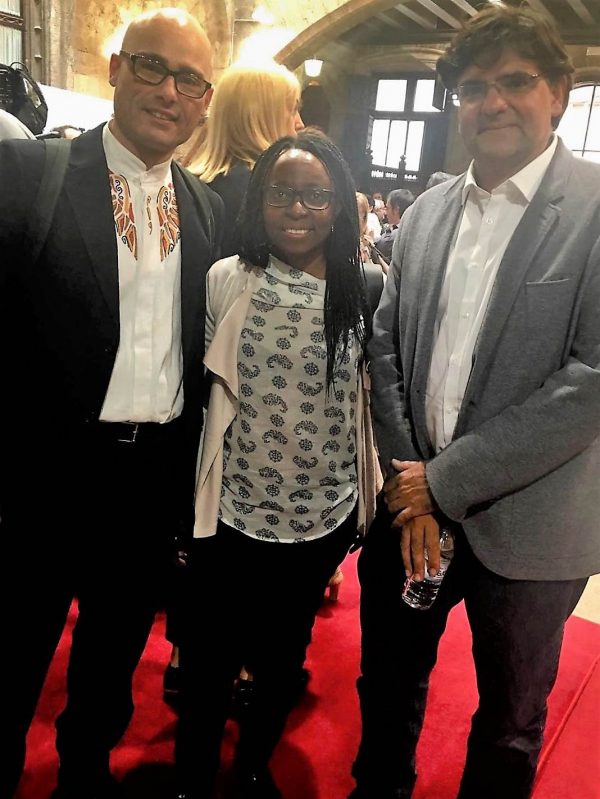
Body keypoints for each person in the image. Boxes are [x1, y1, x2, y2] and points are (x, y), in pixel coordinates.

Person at [349, 6, 600, 799]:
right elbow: (385, 346)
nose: (492, 102)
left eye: (515, 81)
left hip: (533, 524)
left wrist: (443, 481)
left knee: (510, 721)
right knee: (387, 681)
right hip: (410, 508)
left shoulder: (595, 209)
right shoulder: (427, 211)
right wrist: (410, 481)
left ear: (559, 91)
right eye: (472, 88)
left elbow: (590, 381)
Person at [0, 9, 223, 799]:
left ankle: (84, 777)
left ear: (206, 101)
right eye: (153, 67)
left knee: (109, 668)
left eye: (190, 80)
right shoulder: (28, 174)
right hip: (40, 481)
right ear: (116, 70)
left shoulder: (205, 209)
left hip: (147, 486)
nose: (170, 92)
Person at [174, 128, 382, 799]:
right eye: (281, 193)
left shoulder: (365, 287)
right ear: (259, 199)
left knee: (283, 655)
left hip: (319, 514)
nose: (297, 209)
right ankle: (191, 775)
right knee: (209, 657)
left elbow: (370, 397)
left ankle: (254, 765)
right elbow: (204, 394)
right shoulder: (228, 279)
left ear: (339, 204)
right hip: (232, 508)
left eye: (315, 195)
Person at [163, 57, 304, 706]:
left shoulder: (191, 183)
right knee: (239, 549)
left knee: (196, 541)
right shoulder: (261, 195)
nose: (299, 121)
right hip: (245, 401)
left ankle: (186, 655)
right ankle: (242, 667)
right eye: (291, 108)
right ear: (264, 114)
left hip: (181, 390)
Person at [186, 60, 304, 257]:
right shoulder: (267, 194)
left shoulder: (186, 184)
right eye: (293, 110)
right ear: (260, 116)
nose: (300, 123)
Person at [374, 188, 414, 262]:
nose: (385, 213)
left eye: (387, 208)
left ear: (396, 209)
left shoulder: (398, 234)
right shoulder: (414, 228)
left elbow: (380, 246)